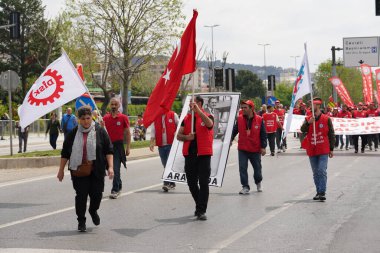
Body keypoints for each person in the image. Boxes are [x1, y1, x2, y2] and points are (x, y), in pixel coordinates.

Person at [57, 106, 114, 232]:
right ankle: (81, 221)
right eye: (83, 119)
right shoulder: (73, 134)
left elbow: (108, 150)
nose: (86, 121)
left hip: (97, 169)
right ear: (78, 119)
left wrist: (110, 167)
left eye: (88, 118)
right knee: (81, 196)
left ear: (91, 117)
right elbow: (65, 153)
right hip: (78, 170)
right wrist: (60, 170)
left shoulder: (100, 131)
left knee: (97, 195)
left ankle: (93, 210)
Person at [177, 96, 214, 221]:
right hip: (190, 155)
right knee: (191, 183)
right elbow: (178, 135)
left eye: (193, 102)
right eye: (189, 102)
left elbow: (210, 124)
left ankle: (201, 210)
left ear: (199, 103)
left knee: (203, 182)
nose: (190, 104)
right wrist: (187, 137)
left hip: (204, 155)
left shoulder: (207, 115)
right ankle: (199, 204)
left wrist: (198, 111)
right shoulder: (186, 119)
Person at [300, 97, 335, 201]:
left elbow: (331, 134)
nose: (310, 106)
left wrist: (331, 148)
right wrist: (308, 123)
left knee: (321, 170)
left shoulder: (326, 118)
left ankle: (322, 192)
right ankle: (318, 191)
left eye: (312, 104)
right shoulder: (308, 118)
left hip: (323, 149)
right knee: (315, 172)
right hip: (312, 148)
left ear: (318, 105)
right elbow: (302, 129)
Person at [231, 100, 267, 195]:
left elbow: (263, 133)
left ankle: (258, 182)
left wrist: (263, 147)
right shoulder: (239, 119)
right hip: (242, 148)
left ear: (251, 108)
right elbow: (234, 130)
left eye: (245, 107)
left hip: (255, 149)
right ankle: (245, 186)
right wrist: (229, 140)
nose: (243, 109)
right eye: (242, 107)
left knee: (257, 169)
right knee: (242, 168)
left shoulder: (259, 119)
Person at [103, 98, 131, 199]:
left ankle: (115, 189)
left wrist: (128, 147)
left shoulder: (123, 117)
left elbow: (128, 133)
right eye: (112, 104)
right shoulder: (105, 118)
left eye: (115, 104)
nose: (114, 106)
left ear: (118, 106)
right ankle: (118, 183)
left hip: (118, 146)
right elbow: (101, 133)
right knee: (109, 169)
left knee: (115, 169)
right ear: (110, 106)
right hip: (107, 147)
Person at [149, 110, 179, 192]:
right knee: (165, 164)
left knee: (168, 164)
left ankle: (167, 183)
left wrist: (177, 133)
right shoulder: (156, 116)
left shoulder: (173, 114)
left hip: (171, 145)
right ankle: (172, 183)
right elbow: (153, 131)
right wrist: (151, 143)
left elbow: (179, 126)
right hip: (161, 145)